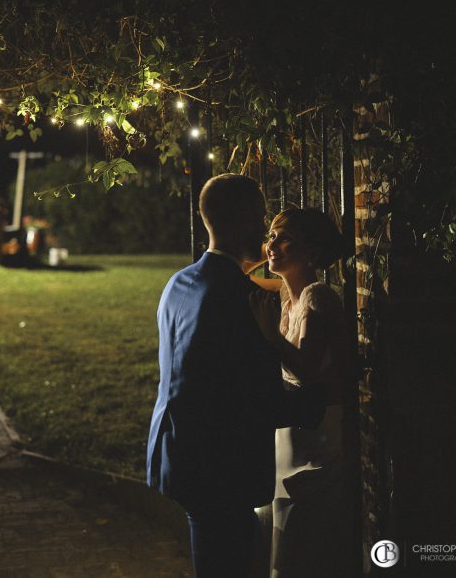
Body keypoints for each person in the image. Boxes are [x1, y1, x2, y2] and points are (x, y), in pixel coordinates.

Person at [146, 174, 324, 577]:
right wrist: (319, 399)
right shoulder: (237, 297)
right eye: (260, 217)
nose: (264, 230)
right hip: (219, 464)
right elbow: (253, 396)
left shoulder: (180, 283)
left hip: (176, 448)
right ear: (245, 218)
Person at [251, 207, 355, 578]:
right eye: (270, 236)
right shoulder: (285, 294)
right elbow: (235, 276)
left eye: (283, 238)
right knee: (283, 546)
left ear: (310, 251)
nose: (271, 245)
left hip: (318, 438)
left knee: (301, 550)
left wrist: (271, 338)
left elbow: (309, 371)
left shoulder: (318, 296)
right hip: (288, 437)